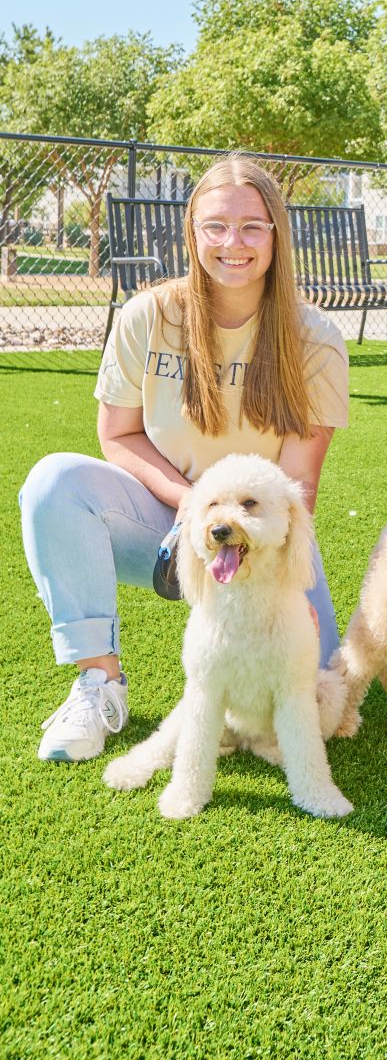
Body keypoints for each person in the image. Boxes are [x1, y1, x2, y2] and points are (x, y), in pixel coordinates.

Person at [21, 155, 350, 764]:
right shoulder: (149, 315)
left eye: (253, 226)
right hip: (165, 519)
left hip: (259, 535)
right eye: (215, 226)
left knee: (311, 702)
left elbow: (299, 482)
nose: (234, 243)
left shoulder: (315, 338)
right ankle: (99, 681)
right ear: (192, 231)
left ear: (277, 233)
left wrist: (279, 579)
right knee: (53, 483)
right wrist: (190, 505)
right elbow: (117, 434)